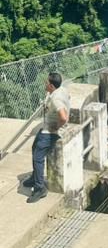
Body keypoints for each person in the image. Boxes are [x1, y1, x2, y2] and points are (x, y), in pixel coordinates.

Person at [25, 72, 70, 203]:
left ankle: (39, 188)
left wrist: (57, 126)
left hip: (52, 132)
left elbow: (63, 117)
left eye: (46, 82)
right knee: (35, 147)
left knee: (38, 157)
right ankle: (35, 177)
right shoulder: (61, 89)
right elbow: (68, 97)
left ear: (51, 85)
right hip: (46, 128)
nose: (45, 84)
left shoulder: (56, 99)